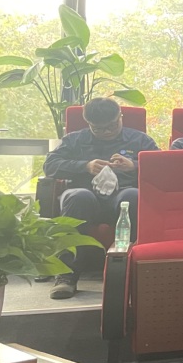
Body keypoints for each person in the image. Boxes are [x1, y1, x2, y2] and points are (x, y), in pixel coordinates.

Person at [42, 97, 159, 299]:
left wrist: (134, 165)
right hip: (84, 195)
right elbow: (50, 166)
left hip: (122, 195)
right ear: (88, 123)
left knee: (133, 196)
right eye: (98, 129)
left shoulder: (139, 140)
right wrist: (85, 166)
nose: (106, 132)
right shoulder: (74, 140)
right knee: (79, 196)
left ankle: (135, 270)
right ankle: (66, 275)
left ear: (120, 117)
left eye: (111, 126)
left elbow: (162, 166)